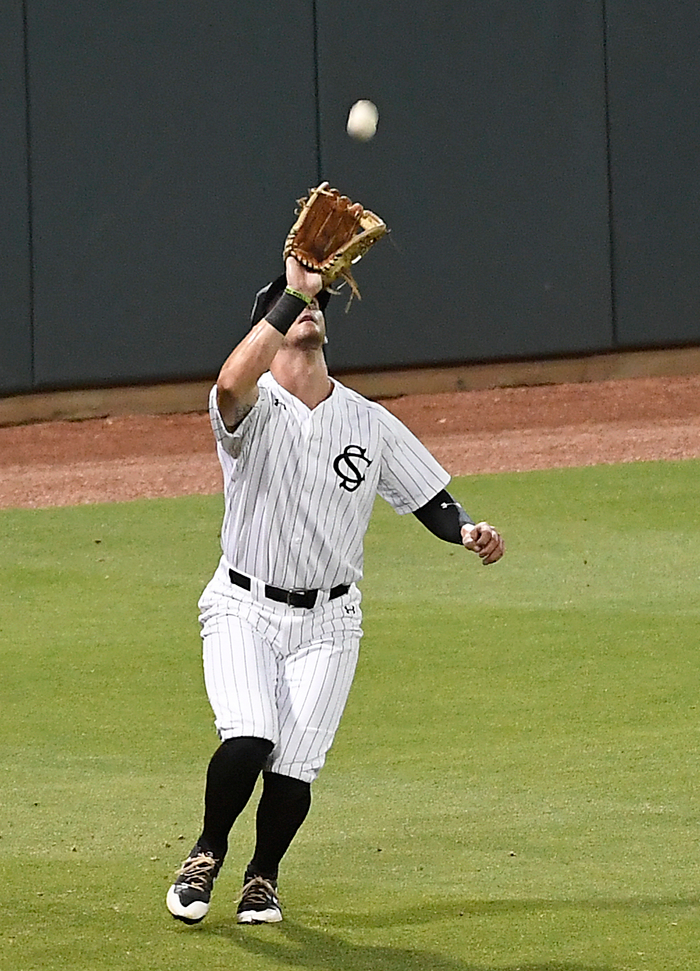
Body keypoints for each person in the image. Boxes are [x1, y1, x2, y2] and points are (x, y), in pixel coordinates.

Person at [165, 250, 505, 926]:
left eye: (316, 304)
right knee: (251, 734)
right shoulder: (248, 411)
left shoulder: (366, 420)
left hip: (330, 621)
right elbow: (232, 380)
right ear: (271, 320)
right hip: (243, 605)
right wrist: (289, 294)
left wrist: (467, 530)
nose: (309, 311)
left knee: (295, 766)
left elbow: (430, 497)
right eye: (293, 307)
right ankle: (206, 852)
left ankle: (262, 876)